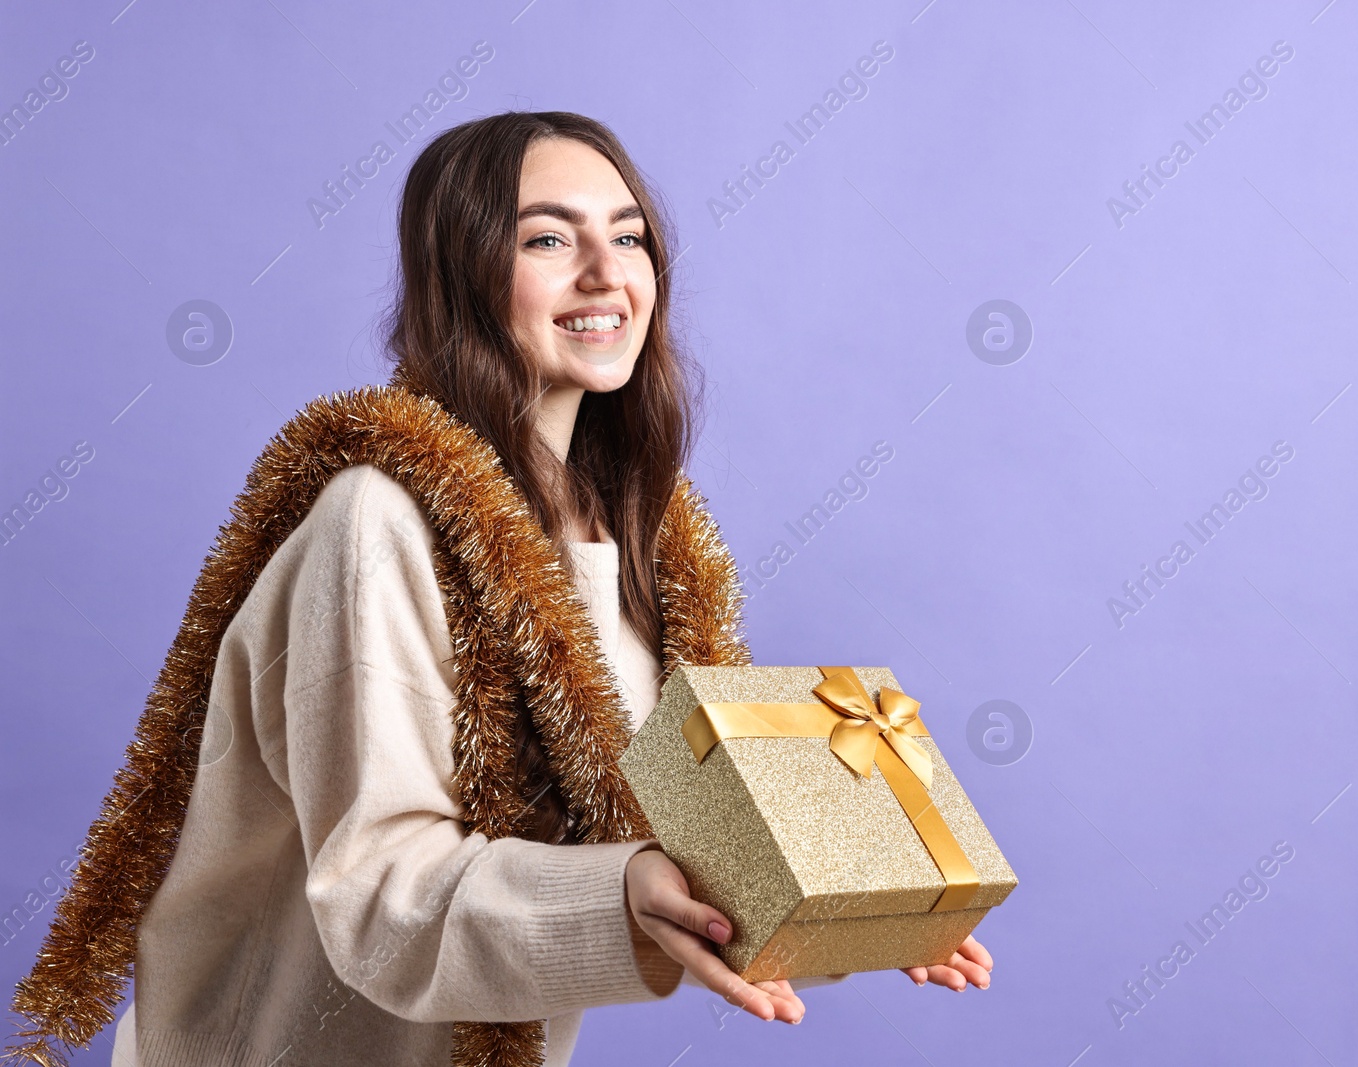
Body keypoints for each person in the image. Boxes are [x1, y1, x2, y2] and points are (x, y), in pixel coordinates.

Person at [9, 111, 990, 1067]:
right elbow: (383, 898)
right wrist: (625, 892)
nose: (607, 273)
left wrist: (847, 900)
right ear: (464, 274)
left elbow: (672, 848)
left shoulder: (631, 543)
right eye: (549, 238)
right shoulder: (375, 521)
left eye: (630, 236)